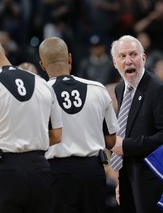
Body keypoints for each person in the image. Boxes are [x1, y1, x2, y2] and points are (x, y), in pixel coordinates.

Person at [38, 37, 119, 213]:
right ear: (69, 58)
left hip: (56, 172)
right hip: (92, 171)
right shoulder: (98, 88)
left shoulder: (39, 93)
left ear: (42, 65)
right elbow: (111, 141)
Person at [0, 33, 63, 213]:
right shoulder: (43, 83)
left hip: (3, 171)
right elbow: (57, 135)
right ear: (2, 51)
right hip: (40, 170)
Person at [110, 35, 163, 213]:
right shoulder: (120, 88)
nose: (128, 61)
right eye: (122, 56)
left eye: (133, 54)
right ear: (115, 62)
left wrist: (127, 146)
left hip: (152, 182)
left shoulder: (159, 89)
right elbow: (127, 129)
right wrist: (122, 179)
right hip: (129, 177)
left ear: (143, 58)